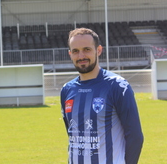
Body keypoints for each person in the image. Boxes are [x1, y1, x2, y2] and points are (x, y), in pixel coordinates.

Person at [60, 28, 143, 164]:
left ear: (98, 50)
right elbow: (72, 134)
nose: (81, 56)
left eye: (87, 49)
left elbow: (135, 136)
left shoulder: (117, 86)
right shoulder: (67, 90)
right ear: (70, 54)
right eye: (75, 51)